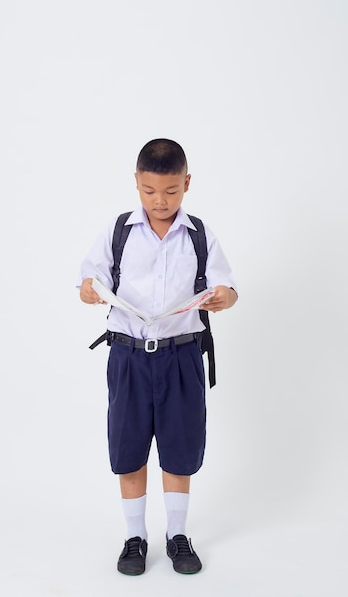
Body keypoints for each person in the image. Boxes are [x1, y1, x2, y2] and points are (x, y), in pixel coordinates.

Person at [77, 138, 238, 575]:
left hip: (182, 357)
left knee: (179, 448)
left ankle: (177, 534)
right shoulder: (118, 232)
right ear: (136, 183)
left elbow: (228, 287)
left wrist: (224, 297)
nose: (160, 201)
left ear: (187, 183)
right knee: (128, 448)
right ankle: (135, 537)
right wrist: (88, 290)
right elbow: (86, 283)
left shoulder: (200, 235)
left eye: (170, 191)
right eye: (150, 191)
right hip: (128, 357)